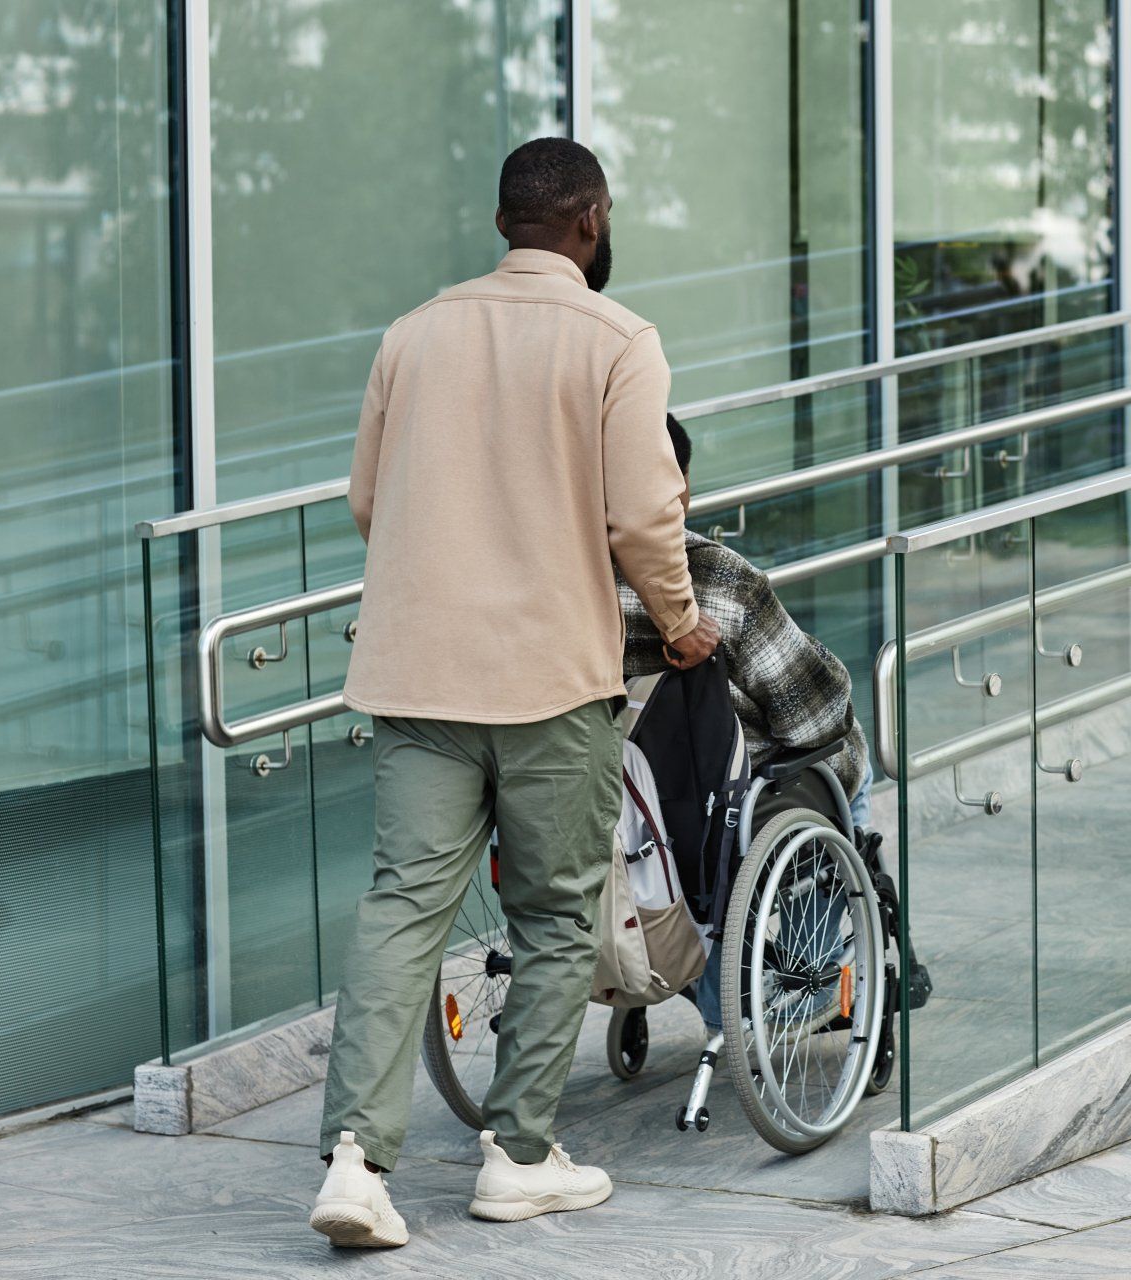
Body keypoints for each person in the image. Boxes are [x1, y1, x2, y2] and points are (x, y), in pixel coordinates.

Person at [310, 137, 719, 1249]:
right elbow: (645, 516)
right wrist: (680, 628)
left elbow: (366, 497)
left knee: (403, 908)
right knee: (551, 914)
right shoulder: (617, 339)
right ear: (588, 222)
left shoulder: (414, 334)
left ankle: (354, 1159)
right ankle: (518, 1156)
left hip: (419, 671)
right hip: (549, 678)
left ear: (505, 223)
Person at [618, 415, 872, 1028]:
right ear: (678, 488)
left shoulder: (557, 586)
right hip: (714, 810)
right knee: (851, 780)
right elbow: (813, 713)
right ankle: (807, 974)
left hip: (602, 799)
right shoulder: (719, 581)